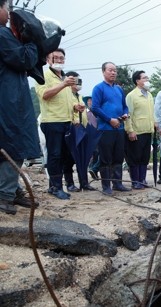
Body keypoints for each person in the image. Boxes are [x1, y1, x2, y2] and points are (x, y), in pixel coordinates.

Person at [0, 0, 40, 215]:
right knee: (13, 145)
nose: (9, 13)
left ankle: (12, 190)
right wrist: (32, 42)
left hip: (7, 98)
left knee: (6, 145)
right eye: (7, 8)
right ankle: (5, 195)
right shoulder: (1, 34)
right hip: (9, 101)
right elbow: (24, 59)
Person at [36, 48, 84, 199]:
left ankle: (55, 185)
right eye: (55, 58)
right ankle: (56, 187)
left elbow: (65, 101)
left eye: (61, 58)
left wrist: (75, 107)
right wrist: (63, 84)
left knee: (63, 155)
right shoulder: (42, 75)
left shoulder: (65, 78)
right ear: (48, 60)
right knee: (54, 155)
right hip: (52, 121)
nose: (59, 60)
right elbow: (45, 95)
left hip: (66, 122)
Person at [91, 62, 131, 195]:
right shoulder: (98, 88)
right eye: (110, 70)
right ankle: (106, 186)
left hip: (119, 128)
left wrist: (125, 113)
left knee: (118, 156)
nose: (113, 73)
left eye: (115, 70)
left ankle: (117, 183)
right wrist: (109, 119)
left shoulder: (119, 89)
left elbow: (124, 106)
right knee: (106, 158)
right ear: (103, 72)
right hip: (105, 128)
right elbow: (95, 108)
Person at [64, 71, 96, 191]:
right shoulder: (65, 95)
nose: (78, 83)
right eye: (75, 81)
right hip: (71, 129)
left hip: (81, 130)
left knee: (83, 158)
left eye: (79, 81)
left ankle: (84, 182)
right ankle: (70, 183)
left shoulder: (79, 96)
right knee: (69, 158)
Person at [125, 70, 155, 190]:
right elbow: (127, 114)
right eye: (144, 78)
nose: (147, 80)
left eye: (147, 78)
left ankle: (142, 180)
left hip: (148, 130)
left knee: (145, 157)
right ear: (137, 81)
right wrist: (130, 130)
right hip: (136, 131)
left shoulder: (149, 95)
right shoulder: (131, 96)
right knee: (135, 157)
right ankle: (135, 181)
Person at [84, 96, 100, 180]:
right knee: (94, 153)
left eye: (92, 100)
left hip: (99, 133)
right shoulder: (85, 113)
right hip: (90, 134)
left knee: (99, 152)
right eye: (89, 101)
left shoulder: (97, 111)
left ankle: (94, 170)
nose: (90, 102)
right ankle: (93, 170)